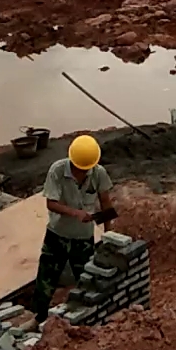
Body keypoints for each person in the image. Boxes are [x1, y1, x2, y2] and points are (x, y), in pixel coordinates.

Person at [31, 134, 116, 324]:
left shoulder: (98, 173)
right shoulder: (57, 171)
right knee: (46, 277)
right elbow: (51, 203)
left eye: (86, 168)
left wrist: (108, 234)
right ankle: (39, 317)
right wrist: (75, 213)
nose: (83, 171)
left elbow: (106, 204)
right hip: (57, 235)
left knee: (86, 279)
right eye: (80, 167)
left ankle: (86, 317)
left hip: (83, 239)